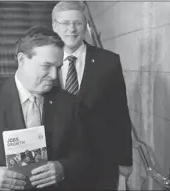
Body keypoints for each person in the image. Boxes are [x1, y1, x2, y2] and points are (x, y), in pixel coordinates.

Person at [0, 26, 89, 191]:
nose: (54, 76)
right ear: (22, 60)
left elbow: (83, 151)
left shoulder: (68, 103)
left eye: (57, 67)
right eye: (46, 66)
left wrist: (63, 168)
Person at [52, 1, 133, 190]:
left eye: (77, 23)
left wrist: (125, 161)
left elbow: (120, 114)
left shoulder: (109, 61)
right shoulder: (44, 61)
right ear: (54, 26)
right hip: (57, 164)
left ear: (86, 25)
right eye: (65, 23)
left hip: (100, 163)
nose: (71, 29)